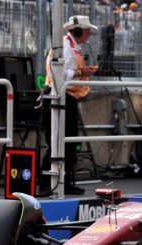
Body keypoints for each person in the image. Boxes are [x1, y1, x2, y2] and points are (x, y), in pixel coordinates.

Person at [41, 15, 98, 194]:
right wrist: (82, 71)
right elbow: (62, 74)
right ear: (80, 31)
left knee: (68, 142)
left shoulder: (71, 46)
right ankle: (45, 184)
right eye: (87, 31)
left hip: (67, 96)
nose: (89, 34)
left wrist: (81, 72)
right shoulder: (66, 46)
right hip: (59, 96)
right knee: (56, 141)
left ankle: (64, 182)